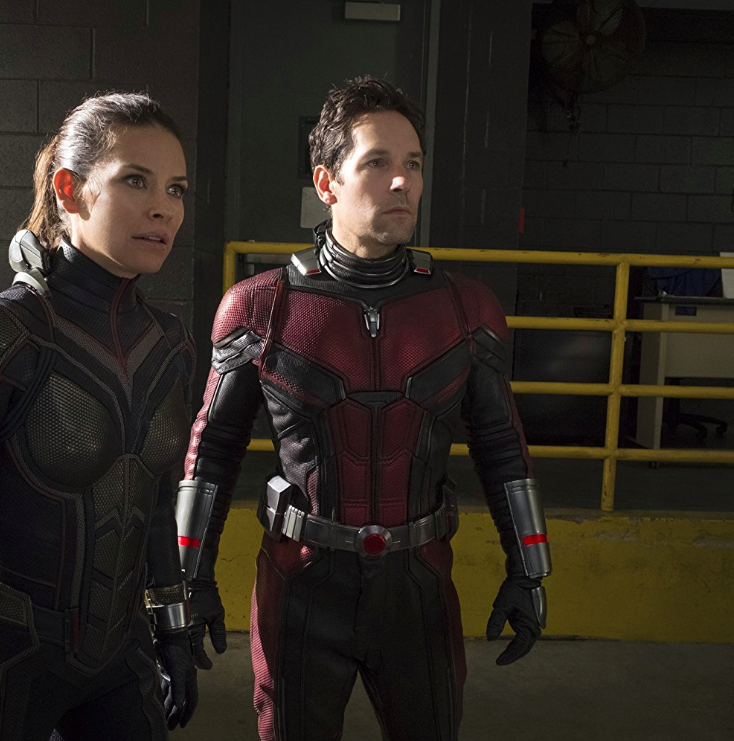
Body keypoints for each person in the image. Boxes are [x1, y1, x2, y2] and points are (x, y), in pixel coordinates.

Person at [176, 76, 552, 741]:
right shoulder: (260, 308)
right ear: (326, 183)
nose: (402, 181)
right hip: (301, 586)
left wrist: (530, 567)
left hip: (418, 588)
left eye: (413, 164)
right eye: (377, 162)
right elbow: (211, 453)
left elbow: (502, 448)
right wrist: (189, 577)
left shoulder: (466, 309)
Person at [0, 92, 198, 740]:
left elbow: (155, 503)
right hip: (2, 658)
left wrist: (173, 632)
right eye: (135, 180)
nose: (163, 207)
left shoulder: (170, 346)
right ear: (69, 190)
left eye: (176, 188)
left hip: (121, 656)